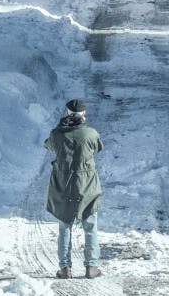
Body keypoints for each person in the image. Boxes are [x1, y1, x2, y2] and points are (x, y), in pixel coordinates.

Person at [45, 99, 104, 279]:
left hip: (63, 185)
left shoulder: (57, 134)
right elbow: (98, 148)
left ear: (67, 113)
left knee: (64, 226)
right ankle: (91, 267)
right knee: (90, 226)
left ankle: (65, 268)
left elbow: (48, 145)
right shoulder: (90, 134)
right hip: (87, 187)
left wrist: (61, 129)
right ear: (84, 114)